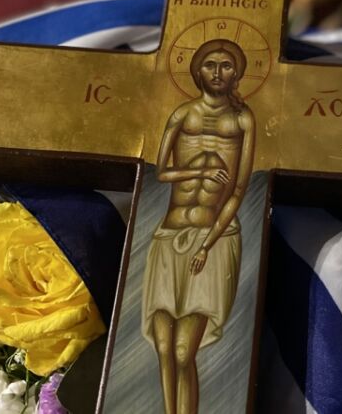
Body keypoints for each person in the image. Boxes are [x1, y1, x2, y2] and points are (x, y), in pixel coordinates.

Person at [141, 39, 256, 414]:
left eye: (226, 65)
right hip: (169, 234)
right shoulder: (182, 114)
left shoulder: (242, 120)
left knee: (181, 351)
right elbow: (162, 172)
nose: (218, 72)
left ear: (237, 73)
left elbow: (237, 190)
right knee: (162, 348)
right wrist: (200, 172)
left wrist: (207, 244)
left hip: (213, 239)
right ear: (197, 71)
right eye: (210, 65)